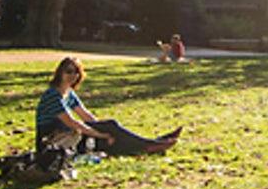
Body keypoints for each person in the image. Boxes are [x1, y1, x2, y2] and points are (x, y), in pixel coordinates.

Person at [35, 57, 179, 156]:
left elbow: (86, 116)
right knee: (107, 133)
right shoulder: (53, 95)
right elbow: (72, 123)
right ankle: (151, 144)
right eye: (69, 71)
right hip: (52, 141)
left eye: (76, 72)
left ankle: (153, 143)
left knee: (110, 132)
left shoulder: (69, 93)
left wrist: (103, 128)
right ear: (60, 73)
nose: (73, 75)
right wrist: (102, 133)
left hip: (69, 135)